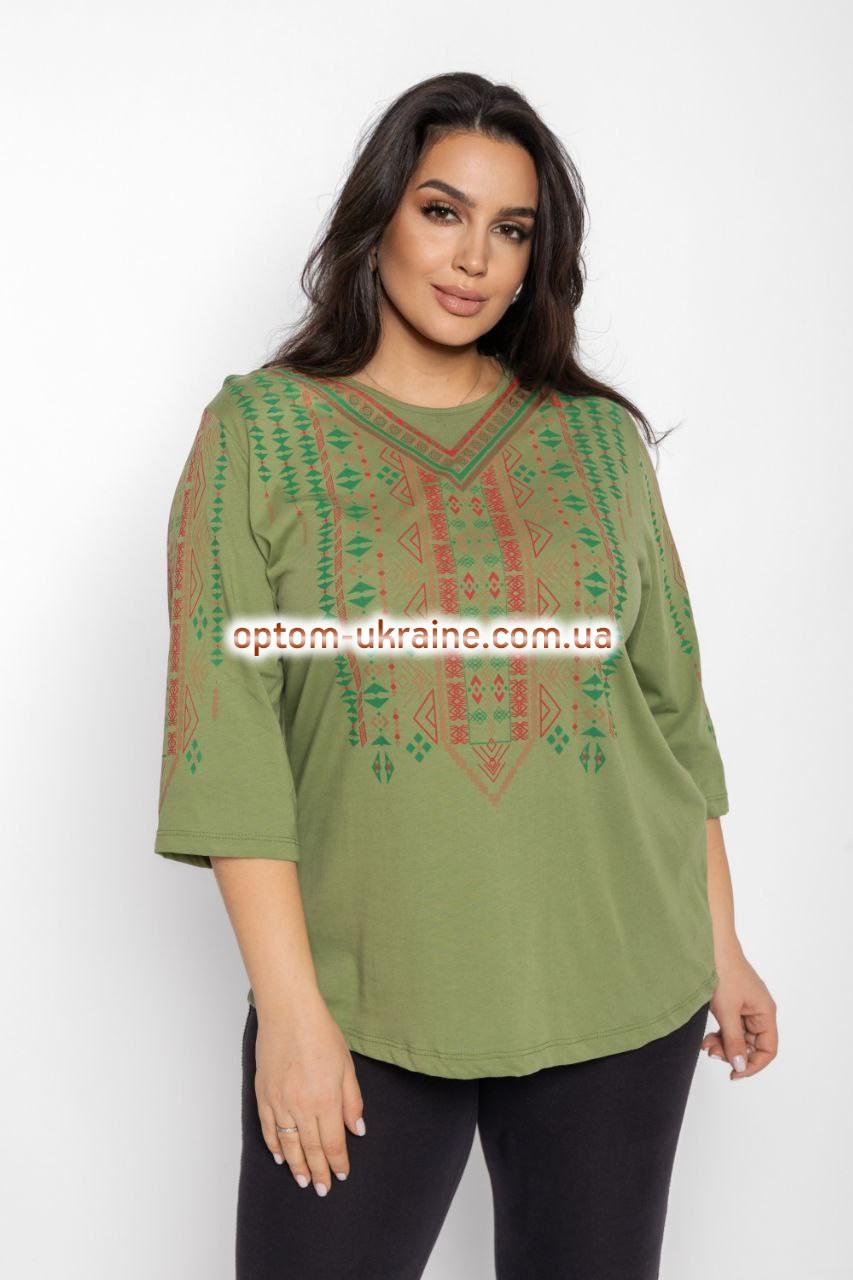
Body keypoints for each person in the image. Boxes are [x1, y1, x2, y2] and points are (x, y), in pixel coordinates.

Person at [153, 71, 778, 1280]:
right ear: (378, 215)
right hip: (364, 995)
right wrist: (289, 1011)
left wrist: (723, 941)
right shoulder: (260, 432)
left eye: (512, 228)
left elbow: (667, 709)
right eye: (442, 211)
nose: (473, 258)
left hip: (618, 981)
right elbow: (225, 739)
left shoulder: (596, 442)